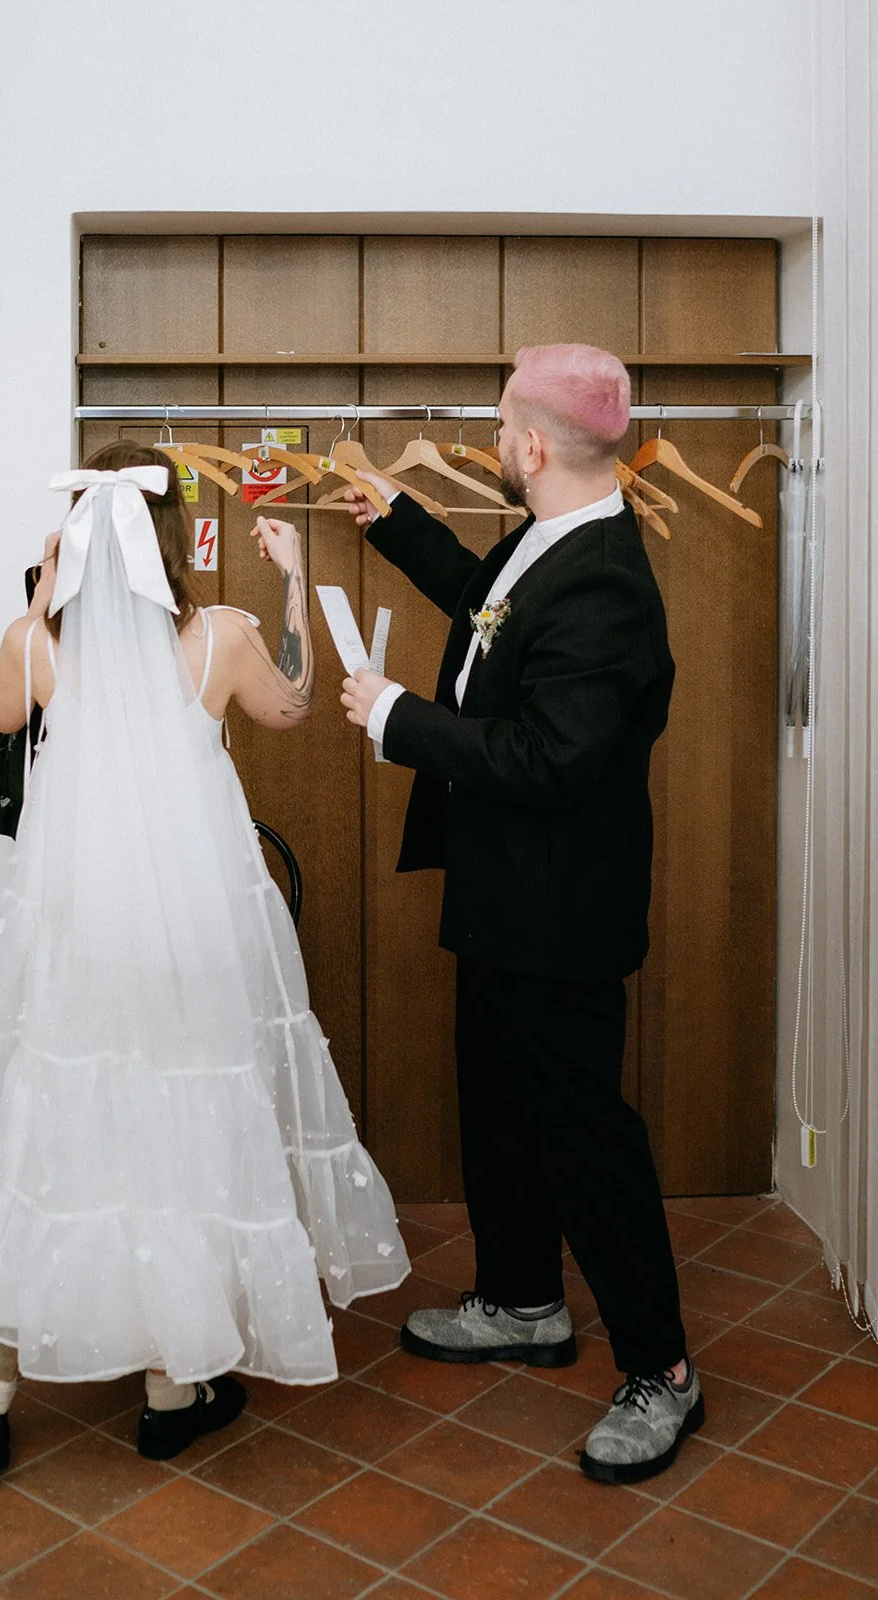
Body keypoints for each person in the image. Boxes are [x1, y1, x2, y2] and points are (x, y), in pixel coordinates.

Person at [0, 440, 408, 1474]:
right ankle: (170, 1387)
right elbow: (298, 704)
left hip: (76, 935)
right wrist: (296, 595)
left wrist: (40, 606)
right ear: (171, 535)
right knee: (176, 1128)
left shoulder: (40, 646)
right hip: (189, 938)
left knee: (50, 1134)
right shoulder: (219, 635)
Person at [340, 345, 702, 1485]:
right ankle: (521, 1299)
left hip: (560, 915)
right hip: (502, 895)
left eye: (500, 428)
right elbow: (484, 614)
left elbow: (546, 758)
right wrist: (392, 517)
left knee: (582, 1137)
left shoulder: (604, 578)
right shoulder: (545, 545)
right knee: (496, 1102)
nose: (494, 444)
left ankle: (663, 1373)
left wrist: (399, 717)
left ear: (533, 445)